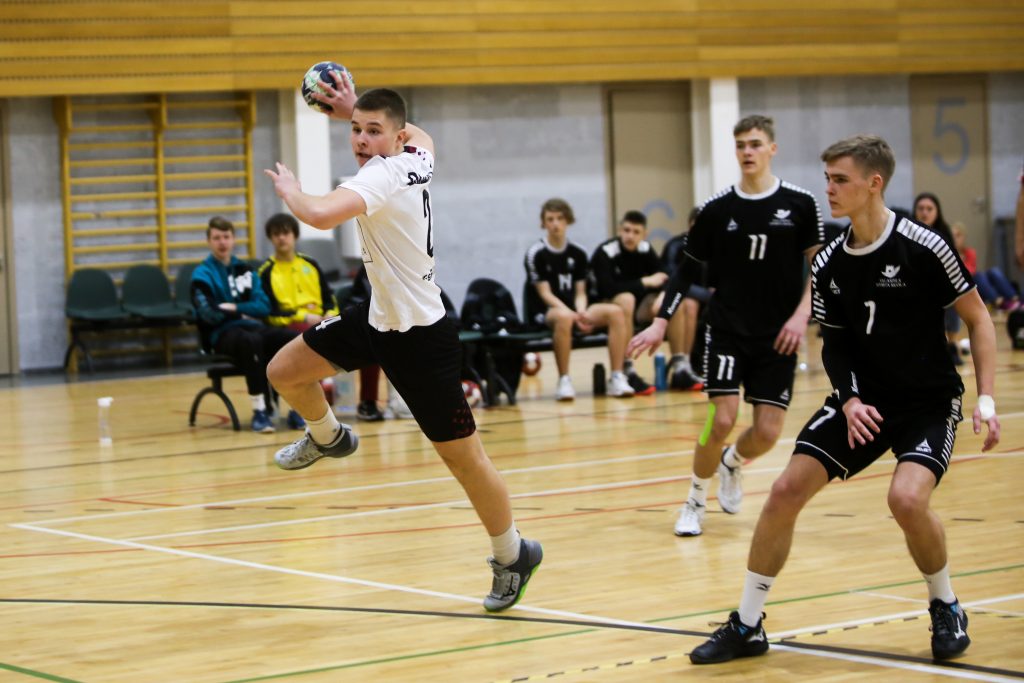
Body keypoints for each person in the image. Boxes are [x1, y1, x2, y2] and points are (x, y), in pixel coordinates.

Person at [689, 134, 1001, 665]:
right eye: (827, 179)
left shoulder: (925, 246)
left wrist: (986, 398)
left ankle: (946, 604)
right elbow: (834, 344)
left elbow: (979, 318)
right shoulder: (829, 260)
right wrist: (850, 399)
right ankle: (747, 624)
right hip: (862, 402)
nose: (829, 190)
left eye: (840, 180)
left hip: (926, 402)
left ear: (874, 184)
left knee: (906, 500)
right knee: (784, 490)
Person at [263, 74, 541, 611]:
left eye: (373, 131)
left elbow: (318, 214)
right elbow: (421, 134)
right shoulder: (417, 156)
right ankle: (328, 437)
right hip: (377, 318)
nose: (361, 139)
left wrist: (291, 190)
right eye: (356, 130)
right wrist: (355, 107)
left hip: (421, 339)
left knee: (466, 461)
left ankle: (513, 555)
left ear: (394, 138)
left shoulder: (383, 176)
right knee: (284, 372)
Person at [628, 114, 824, 537]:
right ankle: (695, 501)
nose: (747, 152)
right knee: (720, 420)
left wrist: (801, 315)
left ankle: (731, 462)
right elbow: (685, 272)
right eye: (740, 145)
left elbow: (820, 268)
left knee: (768, 433)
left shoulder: (801, 204)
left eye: (755, 144)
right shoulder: (717, 210)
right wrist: (661, 323)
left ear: (772, 149)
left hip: (778, 337)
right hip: (727, 330)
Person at [190, 216, 302, 433]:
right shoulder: (202, 275)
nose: (222, 242)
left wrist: (233, 308)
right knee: (251, 341)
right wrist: (244, 312)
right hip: (221, 335)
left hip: (253, 329)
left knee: (292, 339)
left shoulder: (246, 270)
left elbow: (263, 307)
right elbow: (208, 313)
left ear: (233, 239)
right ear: (209, 241)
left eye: (226, 237)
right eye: (217, 238)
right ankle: (260, 411)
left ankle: (297, 408)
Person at [524, 198, 634, 400]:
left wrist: (581, 311)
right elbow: (545, 294)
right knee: (564, 317)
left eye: (560, 218)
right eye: (550, 219)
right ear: (543, 223)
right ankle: (564, 380)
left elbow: (581, 291)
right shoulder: (536, 253)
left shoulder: (579, 253)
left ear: (568, 221)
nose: (555, 224)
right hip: (546, 311)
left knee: (616, 312)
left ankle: (617, 376)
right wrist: (572, 314)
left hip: (575, 308)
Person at [258, 213, 344, 414]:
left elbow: (329, 297)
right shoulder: (266, 272)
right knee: (309, 339)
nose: (282, 238)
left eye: (286, 233)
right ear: (270, 238)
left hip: (321, 322)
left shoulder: (310, 264)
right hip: (291, 325)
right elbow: (271, 313)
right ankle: (310, 403)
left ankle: (346, 397)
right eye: (276, 234)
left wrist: (330, 314)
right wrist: (303, 317)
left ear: (294, 236)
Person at [589, 210, 666, 395]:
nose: (630, 236)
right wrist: (644, 282)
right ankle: (624, 368)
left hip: (636, 310)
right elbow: (607, 289)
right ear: (619, 230)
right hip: (601, 308)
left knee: (674, 301)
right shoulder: (606, 252)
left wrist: (663, 294)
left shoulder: (645, 250)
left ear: (644, 234)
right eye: (626, 230)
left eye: (636, 232)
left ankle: (682, 364)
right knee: (626, 299)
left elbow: (663, 277)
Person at [659, 206, 710, 390]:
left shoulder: (715, 246)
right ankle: (683, 365)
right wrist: (706, 294)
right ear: (689, 225)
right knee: (689, 304)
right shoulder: (676, 245)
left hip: (708, 303)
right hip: (681, 300)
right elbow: (671, 278)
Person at [913, 192, 963, 364]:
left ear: (937, 212)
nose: (924, 213)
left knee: (954, 298)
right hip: (912, 287)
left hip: (938, 286)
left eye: (929, 209)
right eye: (921, 208)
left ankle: (953, 344)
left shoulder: (944, 235)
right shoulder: (904, 233)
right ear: (915, 211)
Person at [951, 222, 1020, 312]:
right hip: (965, 290)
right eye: (953, 236)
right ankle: (999, 302)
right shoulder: (950, 255)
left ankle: (1015, 299)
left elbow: (971, 270)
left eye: (958, 235)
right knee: (977, 276)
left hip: (976, 285)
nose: (955, 239)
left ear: (964, 237)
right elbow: (965, 275)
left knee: (993, 271)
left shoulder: (970, 252)